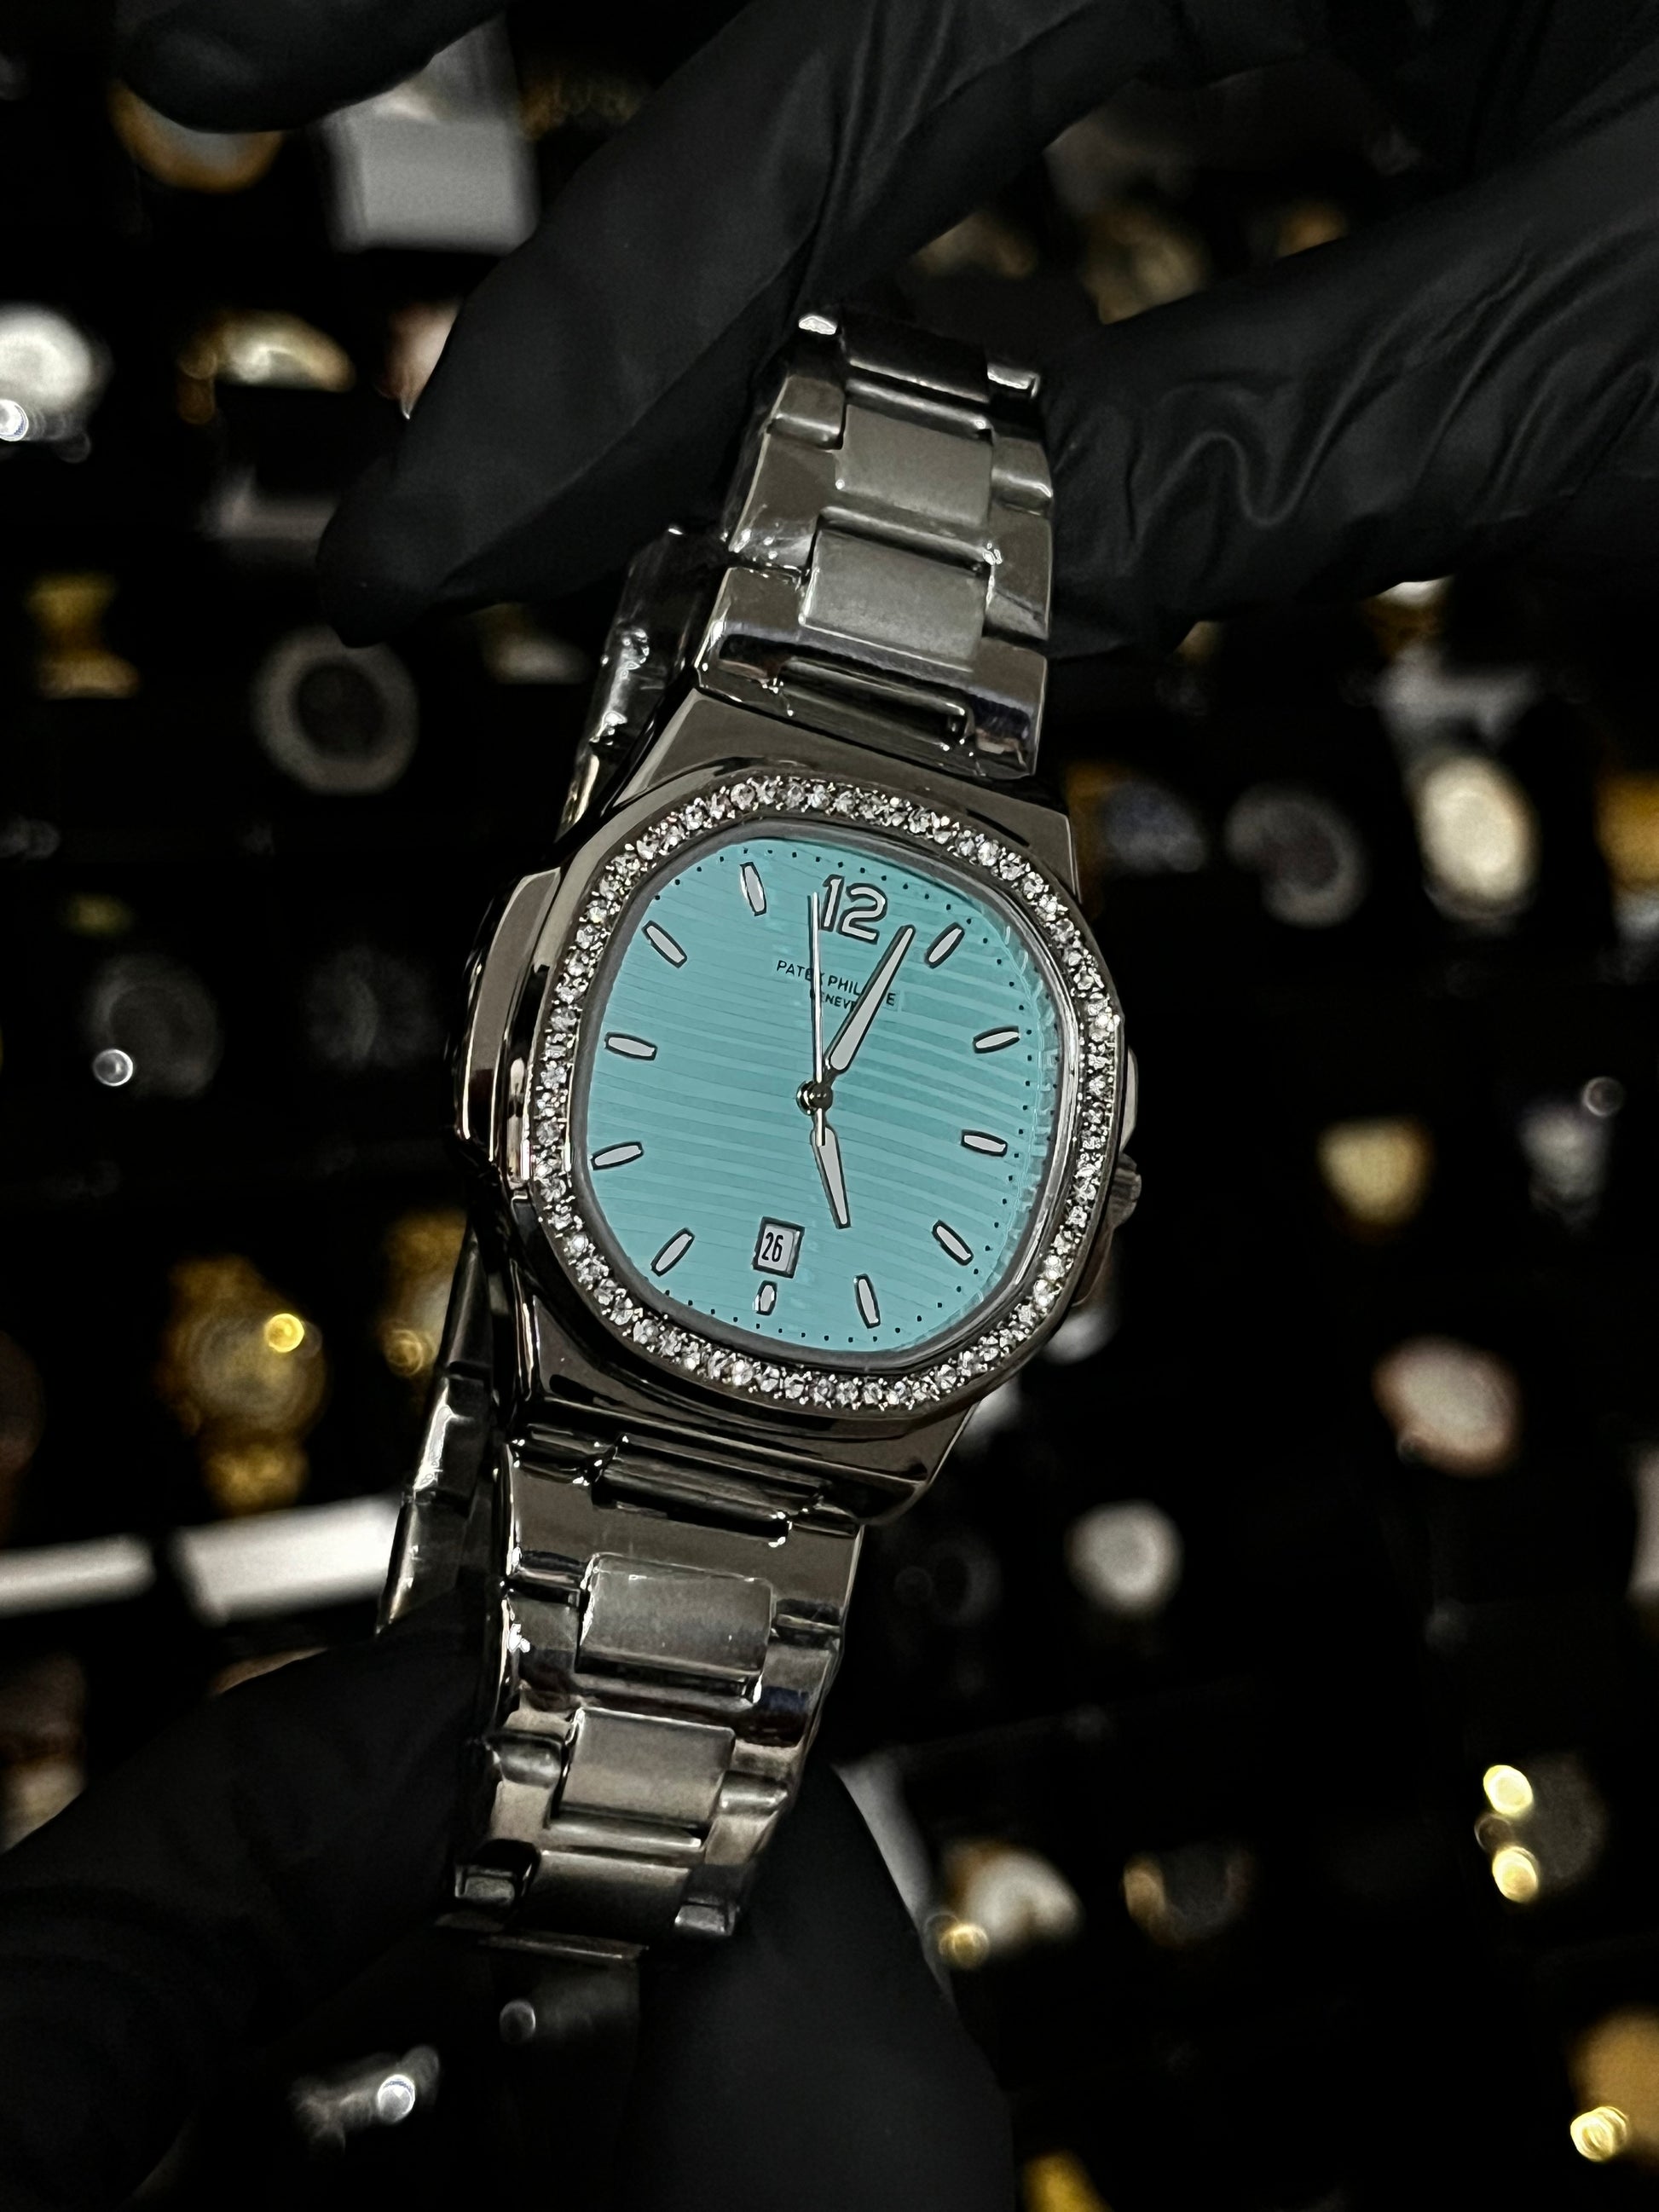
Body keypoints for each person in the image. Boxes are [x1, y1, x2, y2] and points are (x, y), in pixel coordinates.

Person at [9, 2, 1659, 2203]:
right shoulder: (675, 980)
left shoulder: (940, 1063)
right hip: (738, 1345)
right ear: (523, 1013)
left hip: (807, 1364)